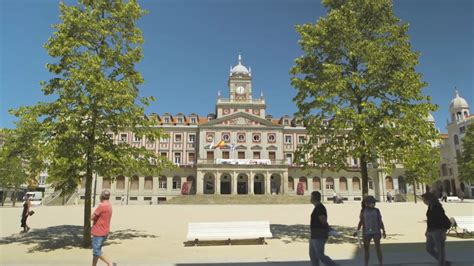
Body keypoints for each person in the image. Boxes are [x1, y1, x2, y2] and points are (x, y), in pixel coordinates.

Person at [421, 192, 451, 266]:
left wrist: (444, 232)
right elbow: (430, 220)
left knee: (440, 249)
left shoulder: (437, 208)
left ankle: (442, 263)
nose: (424, 202)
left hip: (438, 230)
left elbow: (443, 220)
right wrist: (427, 230)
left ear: (429, 200)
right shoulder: (430, 207)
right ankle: (443, 261)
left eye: (424, 200)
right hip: (431, 230)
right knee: (429, 248)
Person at [309, 191, 337, 266]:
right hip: (314, 234)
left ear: (314, 198)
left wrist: (329, 229)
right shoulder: (317, 207)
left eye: (311, 197)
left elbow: (323, 220)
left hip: (319, 234)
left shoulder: (320, 208)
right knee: (313, 255)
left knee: (320, 255)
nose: (310, 199)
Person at [356, 196, 386, 266]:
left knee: (378, 248)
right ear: (367, 203)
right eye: (373, 202)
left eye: (374, 202)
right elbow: (361, 221)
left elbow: (380, 221)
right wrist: (357, 231)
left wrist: (384, 230)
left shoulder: (377, 210)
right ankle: (366, 264)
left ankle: (381, 263)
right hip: (366, 232)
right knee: (366, 249)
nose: (374, 204)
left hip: (376, 232)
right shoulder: (363, 211)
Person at [91, 190, 115, 266]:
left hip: (99, 231)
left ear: (101, 196)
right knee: (97, 250)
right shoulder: (109, 205)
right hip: (105, 231)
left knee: (96, 251)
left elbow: (92, 217)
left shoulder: (102, 206)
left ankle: (110, 263)